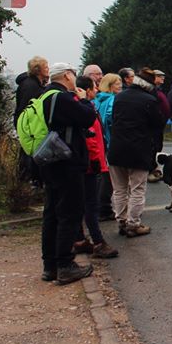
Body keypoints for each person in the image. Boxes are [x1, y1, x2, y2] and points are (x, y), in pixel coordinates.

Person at [38, 62, 97, 285]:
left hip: (50, 159)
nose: (74, 77)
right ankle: (65, 264)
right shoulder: (62, 98)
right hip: (67, 161)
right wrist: (84, 100)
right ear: (65, 75)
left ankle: (49, 265)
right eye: (72, 73)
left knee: (51, 213)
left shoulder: (44, 96)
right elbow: (87, 117)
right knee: (69, 213)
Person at [107, 72, 165, 238]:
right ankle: (133, 223)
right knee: (137, 188)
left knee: (119, 189)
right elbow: (157, 123)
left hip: (117, 148)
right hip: (138, 149)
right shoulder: (149, 100)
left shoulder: (119, 97)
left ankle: (121, 221)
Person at [71, 76, 118, 259]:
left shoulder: (83, 106)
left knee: (83, 204)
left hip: (89, 161)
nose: (96, 91)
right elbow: (90, 138)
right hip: (91, 163)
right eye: (93, 88)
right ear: (86, 90)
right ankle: (98, 243)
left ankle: (80, 240)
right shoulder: (84, 108)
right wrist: (97, 161)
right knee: (91, 205)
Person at [14, 55, 48, 185]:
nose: (48, 69)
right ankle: (30, 181)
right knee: (29, 154)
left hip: (27, 125)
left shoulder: (33, 83)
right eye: (46, 67)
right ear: (38, 69)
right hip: (29, 126)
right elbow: (27, 108)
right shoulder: (30, 86)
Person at [94, 73, 122, 221]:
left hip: (100, 140)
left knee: (103, 175)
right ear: (110, 85)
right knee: (111, 177)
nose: (121, 86)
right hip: (111, 140)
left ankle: (100, 206)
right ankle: (105, 208)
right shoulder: (113, 100)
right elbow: (113, 119)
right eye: (118, 83)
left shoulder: (97, 99)